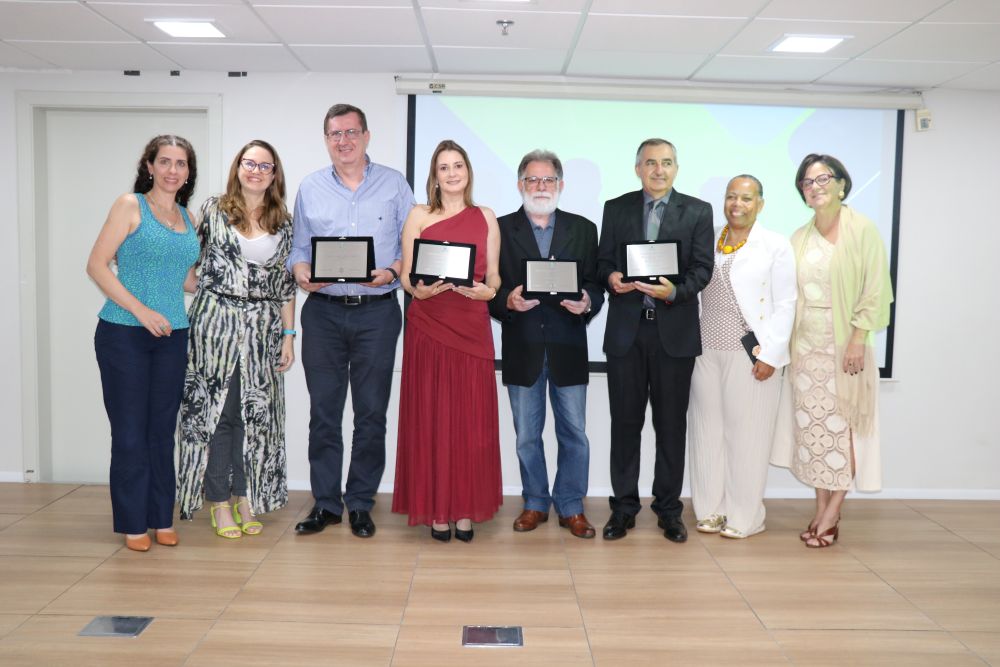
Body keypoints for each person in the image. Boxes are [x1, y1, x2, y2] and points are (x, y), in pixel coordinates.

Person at [288, 104, 416, 539]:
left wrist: (395, 271)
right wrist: (301, 273)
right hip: (322, 313)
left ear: (366, 135)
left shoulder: (394, 184)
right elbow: (299, 250)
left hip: (377, 312)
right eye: (334, 134)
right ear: (326, 139)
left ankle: (360, 501)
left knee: (371, 413)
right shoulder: (310, 187)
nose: (342, 141)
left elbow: (410, 246)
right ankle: (326, 504)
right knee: (324, 414)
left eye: (350, 132)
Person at [176, 140, 297, 539]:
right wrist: (213, 293)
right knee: (219, 417)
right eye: (250, 163)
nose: (256, 171)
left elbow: (285, 285)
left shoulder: (283, 218)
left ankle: (245, 497)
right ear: (238, 167)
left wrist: (288, 336)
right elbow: (185, 264)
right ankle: (219, 502)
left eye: (265, 166)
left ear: (274, 174)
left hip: (262, 330)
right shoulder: (213, 209)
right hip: (216, 328)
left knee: (253, 417)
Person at [771, 154, 893, 548]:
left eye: (824, 178)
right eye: (808, 182)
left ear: (842, 183)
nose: (816, 186)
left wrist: (858, 339)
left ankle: (831, 512)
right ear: (802, 193)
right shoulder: (798, 238)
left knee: (846, 433)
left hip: (845, 350)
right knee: (815, 435)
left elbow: (876, 291)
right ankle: (822, 508)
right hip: (806, 355)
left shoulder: (863, 231)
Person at [596, 138, 714, 542]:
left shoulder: (698, 211)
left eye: (666, 163)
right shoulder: (616, 208)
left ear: (676, 168)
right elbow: (604, 261)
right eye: (650, 163)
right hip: (627, 333)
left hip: (674, 335)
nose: (658, 170)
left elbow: (702, 269)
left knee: (670, 427)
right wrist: (612, 278)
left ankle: (669, 510)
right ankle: (623, 509)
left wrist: (675, 292)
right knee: (624, 426)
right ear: (637, 168)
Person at [87, 135, 200, 552]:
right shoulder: (129, 206)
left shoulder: (189, 218)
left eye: (181, 163)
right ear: (149, 166)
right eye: (165, 161)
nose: (173, 170)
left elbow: (184, 279)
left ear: (189, 172)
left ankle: (160, 517)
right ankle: (134, 522)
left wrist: (229, 283)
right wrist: (141, 311)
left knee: (161, 431)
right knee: (131, 432)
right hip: (125, 334)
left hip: (172, 336)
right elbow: (96, 266)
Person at [489, 149, 604, 539]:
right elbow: (489, 285)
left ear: (561, 185)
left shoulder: (585, 229)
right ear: (520, 184)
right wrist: (506, 299)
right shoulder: (500, 229)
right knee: (526, 436)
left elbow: (595, 283)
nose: (541, 187)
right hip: (522, 346)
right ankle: (535, 502)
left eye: (548, 180)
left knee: (575, 434)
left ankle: (571, 506)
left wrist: (588, 301)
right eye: (533, 180)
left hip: (568, 346)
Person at [392, 139, 502, 543]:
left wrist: (490, 291)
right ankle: (438, 509)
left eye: (458, 166)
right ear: (434, 176)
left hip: (472, 324)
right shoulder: (418, 215)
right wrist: (415, 291)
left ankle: (465, 510)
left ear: (468, 171)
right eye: (444, 167)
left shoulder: (486, 216)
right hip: (429, 323)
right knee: (432, 418)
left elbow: (494, 275)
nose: (452, 173)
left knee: (471, 423)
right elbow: (406, 273)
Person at [687, 175, 796, 539]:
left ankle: (745, 516)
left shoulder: (775, 245)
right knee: (707, 433)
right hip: (704, 350)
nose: (738, 204)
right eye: (732, 196)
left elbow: (786, 304)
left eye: (747, 198)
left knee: (747, 436)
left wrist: (773, 355)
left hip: (752, 354)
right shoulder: (709, 237)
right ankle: (710, 511)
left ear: (760, 204)